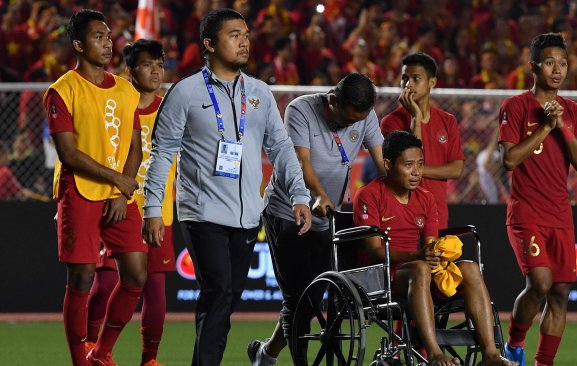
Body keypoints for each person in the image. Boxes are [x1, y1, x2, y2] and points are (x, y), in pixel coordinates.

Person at [141, 8, 312, 366]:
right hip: (201, 212)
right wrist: (153, 208)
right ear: (209, 44)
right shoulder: (185, 93)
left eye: (246, 34)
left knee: (226, 299)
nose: (244, 41)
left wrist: (299, 194)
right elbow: (161, 155)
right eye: (234, 34)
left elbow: (280, 147)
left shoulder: (260, 93)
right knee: (219, 291)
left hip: (249, 215)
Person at [247, 73, 385, 365]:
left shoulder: (364, 113)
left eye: (357, 121)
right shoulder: (301, 109)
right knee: (298, 299)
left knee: (313, 299)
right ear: (332, 101)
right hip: (288, 211)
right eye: (347, 119)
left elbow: (382, 160)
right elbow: (301, 160)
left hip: (328, 218)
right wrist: (319, 195)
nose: (353, 125)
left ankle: (266, 353)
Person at [354, 131, 516, 366]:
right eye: (408, 165)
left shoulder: (426, 198)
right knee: (420, 268)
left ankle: (490, 354)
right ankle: (434, 353)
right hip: (383, 274)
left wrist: (435, 254)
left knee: (469, 268)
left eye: (420, 164)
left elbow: (430, 244)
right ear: (387, 164)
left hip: (419, 271)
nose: (417, 172)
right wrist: (419, 257)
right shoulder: (368, 195)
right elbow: (374, 251)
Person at [43, 9, 149, 365]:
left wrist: (121, 191)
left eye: (108, 35)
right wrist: (117, 179)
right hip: (79, 190)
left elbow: (135, 147)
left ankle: (101, 353)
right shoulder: (62, 91)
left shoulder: (125, 89)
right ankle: (78, 360)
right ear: (78, 44)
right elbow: (68, 153)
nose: (108, 42)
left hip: (118, 194)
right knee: (82, 277)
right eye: (98, 37)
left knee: (136, 274)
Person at [498, 33, 577, 366]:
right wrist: (544, 128)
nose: (557, 69)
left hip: (560, 214)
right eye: (550, 62)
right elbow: (509, 160)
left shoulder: (574, 112)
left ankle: (543, 363)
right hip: (526, 211)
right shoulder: (516, 107)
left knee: (561, 293)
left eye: (563, 63)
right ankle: (514, 343)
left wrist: (562, 125)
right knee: (539, 283)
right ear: (534, 66)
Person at [85, 39, 174, 366]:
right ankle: (92, 347)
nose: (156, 70)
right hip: (118, 208)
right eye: (148, 64)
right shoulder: (115, 106)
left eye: (160, 64)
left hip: (158, 214)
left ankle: (149, 360)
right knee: (106, 283)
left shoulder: (171, 110)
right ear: (129, 70)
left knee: (156, 294)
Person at [380, 52, 464, 231]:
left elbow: (456, 168)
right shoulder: (391, 122)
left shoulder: (447, 121)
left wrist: (419, 170)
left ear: (432, 82)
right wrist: (416, 119)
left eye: (416, 78)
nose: (408, 84)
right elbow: (405, 168)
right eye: (404, 78)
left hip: (437, 214)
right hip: (403, 214)